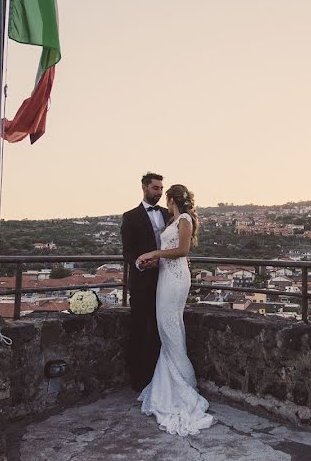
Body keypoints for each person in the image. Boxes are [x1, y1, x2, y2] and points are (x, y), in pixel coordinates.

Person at [136, 184, 214, 435]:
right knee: (165, 326)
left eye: (166, 197)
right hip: (165, 276)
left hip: (176, 278)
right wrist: (154, 261)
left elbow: (182, 251)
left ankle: (183, 386)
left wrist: (154, 252)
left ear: (171, 199)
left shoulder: (184, 219)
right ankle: (168, 382)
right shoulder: (176, 219)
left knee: (170, 326)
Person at [120, 172, 170, 391]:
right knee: (140, 328)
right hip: (142, 283)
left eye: (161, 189)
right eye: (155, 188)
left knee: (162, 329)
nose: (159, 192)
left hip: (167, 280)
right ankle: (139, 380)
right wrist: (140, 264)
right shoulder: (130, 217)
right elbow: (127, 252)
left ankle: (161, 378)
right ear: (144, 188)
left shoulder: (169, 214)